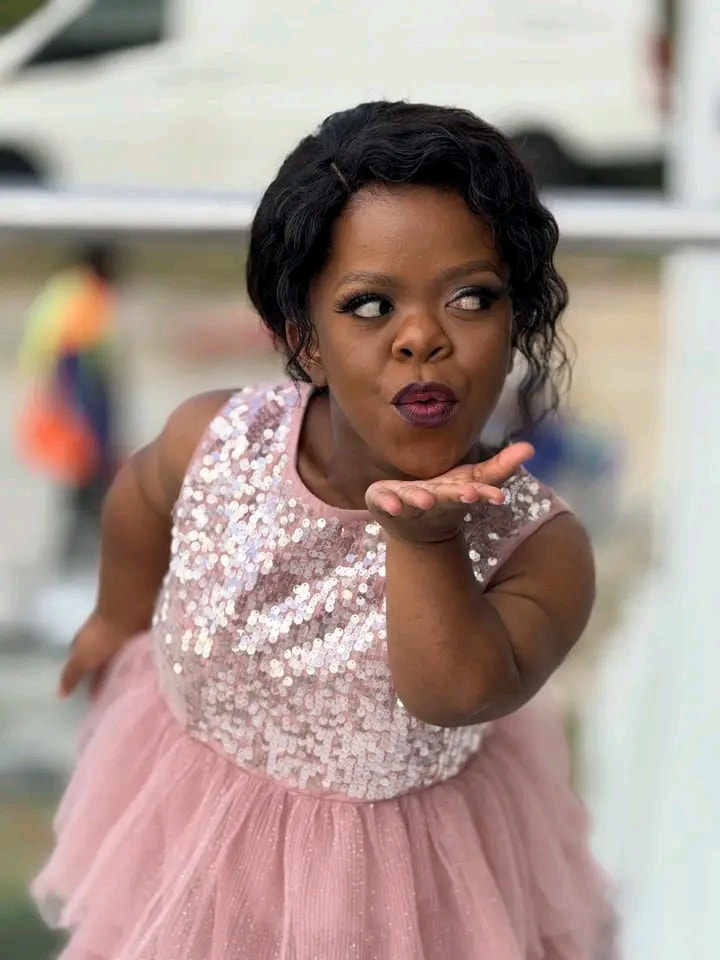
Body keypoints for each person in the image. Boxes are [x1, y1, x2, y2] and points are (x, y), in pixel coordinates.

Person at [32, 102, 614, 959]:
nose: (423, 338)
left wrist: (427, 542)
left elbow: (454, 692)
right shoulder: (215, 441)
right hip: (195, 828)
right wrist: (117, 616)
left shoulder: (542, 548)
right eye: (371, 305)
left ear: (516, 320)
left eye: (471, 297)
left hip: (406, 894)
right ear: (305, 340)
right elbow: (138, 498)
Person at [16, 243, 120, 566]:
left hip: (58, 389)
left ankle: (75, 552)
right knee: (87, 471)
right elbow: (72, 353)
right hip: (76, 392)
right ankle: (79, 555)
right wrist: (85, 412)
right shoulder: (86, 293)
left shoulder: (65, 287)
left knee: (80, 476)